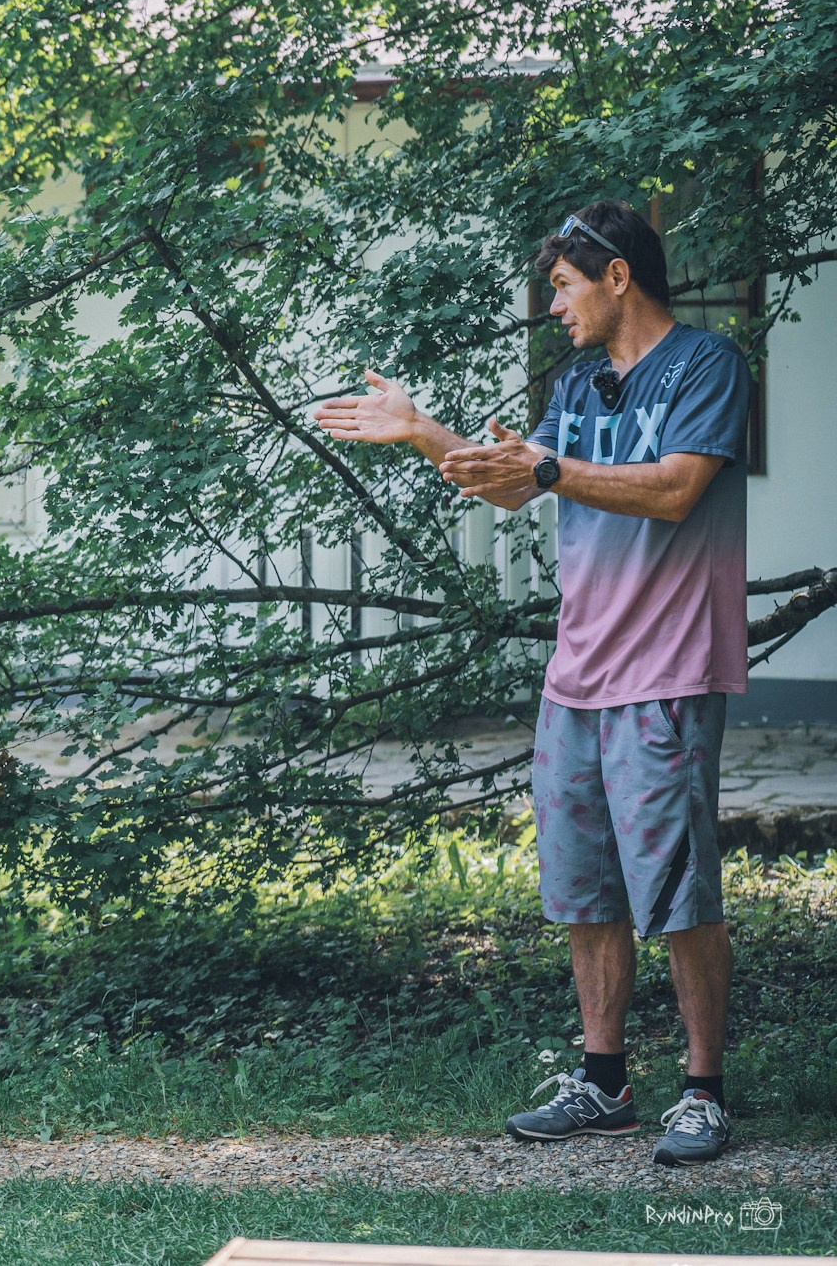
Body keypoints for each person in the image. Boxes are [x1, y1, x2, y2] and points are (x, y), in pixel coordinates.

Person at [313, 200, 750, 1166]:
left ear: (618, 276)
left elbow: (676, 490)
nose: (553, 305)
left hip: (666, 673)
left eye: (563, 285)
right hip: (577, 678)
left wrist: (549, 467)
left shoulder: (707, 366)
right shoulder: (579, 383)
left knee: (678, 890)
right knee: (585, 889)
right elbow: (518, 480)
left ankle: (704, 1090)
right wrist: (424, 430)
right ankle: (605, 1084)